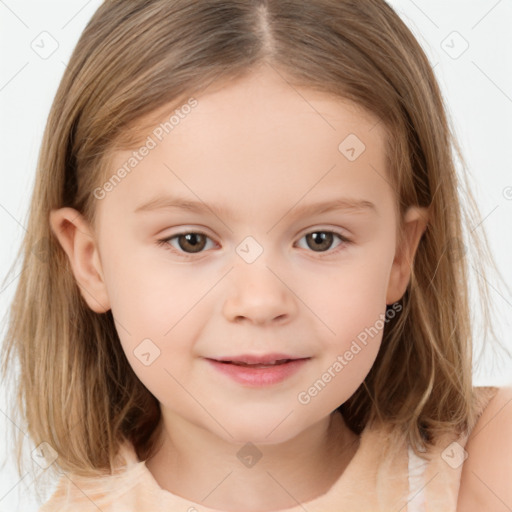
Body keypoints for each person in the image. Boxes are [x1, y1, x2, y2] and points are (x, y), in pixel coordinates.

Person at [1, 1, 511, 511]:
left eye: (320, 239)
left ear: (401, 255)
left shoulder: (485, 467)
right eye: (191, 241)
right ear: (90, 262)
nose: (261, 301)